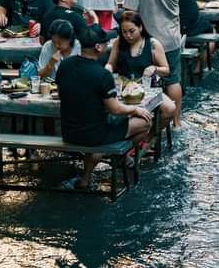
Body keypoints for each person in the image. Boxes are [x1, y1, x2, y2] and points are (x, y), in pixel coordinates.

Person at [55, 25, 153, 190]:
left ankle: (87, 176)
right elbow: (115, 109)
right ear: (98, 47)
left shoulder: (65, 65)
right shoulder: (102, 74)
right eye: (106, 43)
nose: (108, 45)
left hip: (69, 131)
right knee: (146, 122)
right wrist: (134, 109)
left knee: (107, 122)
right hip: (95, 135)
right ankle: (119, 156)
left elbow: (60, 93)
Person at [124, 0, 186, 125]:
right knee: (173, 79)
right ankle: (176, 122)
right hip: (172, 37)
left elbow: (130, 11)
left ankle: (146, 124)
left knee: (143, 81)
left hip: (148, 41)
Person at [104, 11, 179, 125]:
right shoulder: (119, 43)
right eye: (124, 32)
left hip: (148, 89)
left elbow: (166, 70)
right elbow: (111, 64)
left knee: (170, 109)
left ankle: (150, 137)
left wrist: (154, 68)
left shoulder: (153, 44)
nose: (128, 35)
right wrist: (107, 69)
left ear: (140, 27)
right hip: (125, 89)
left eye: (131, 31)